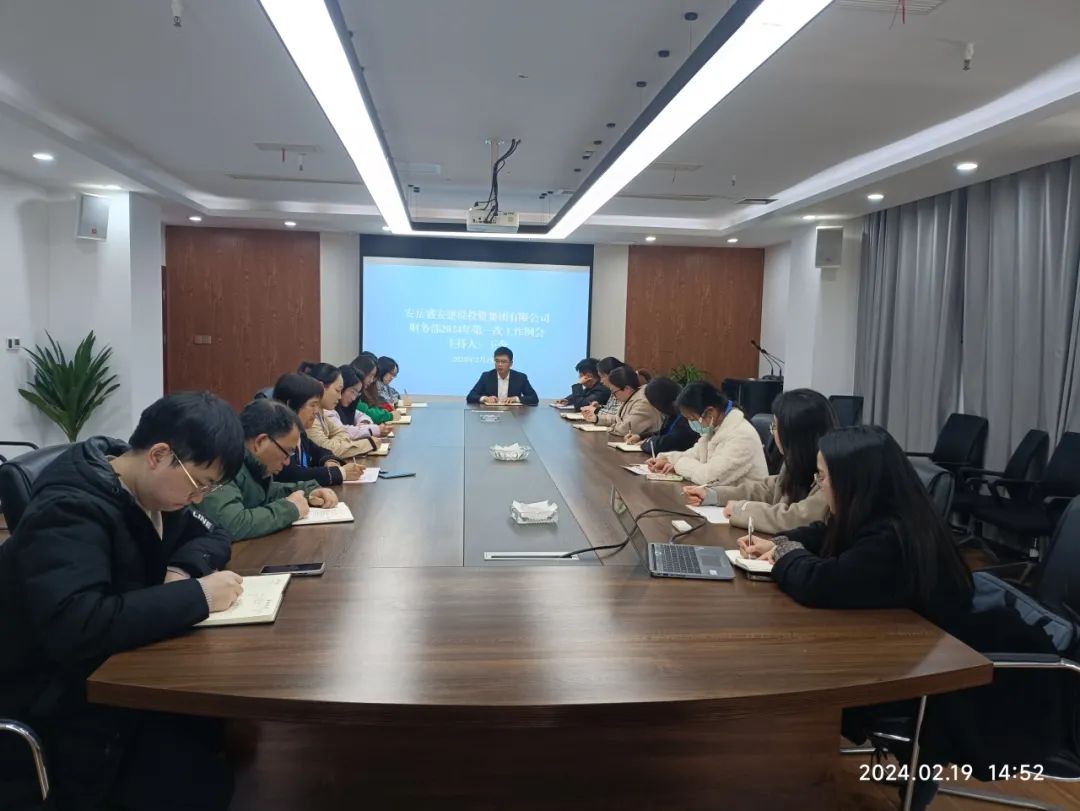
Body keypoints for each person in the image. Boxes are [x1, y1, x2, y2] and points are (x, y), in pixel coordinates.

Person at [0, 392, 246, 810]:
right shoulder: (69, 510)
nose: (200, 498)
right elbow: (77, 624)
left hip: (119, 673)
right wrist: (197, 595)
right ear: (159, 455)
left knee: (216, 742)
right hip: (62, 699)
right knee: (200, 781)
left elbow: (216, 533)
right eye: (199, 483)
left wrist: (182, 570)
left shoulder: (151, 491)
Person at [683, 389, 837, 533]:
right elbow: (766, 489)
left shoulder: (830, 475)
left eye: (775, 426)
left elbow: (796, 519)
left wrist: (743, 509)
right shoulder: (795, 463)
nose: (773, 432)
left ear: (794, 434)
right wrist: (713, 495)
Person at [200, 398, 339, 541]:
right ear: (261, 442)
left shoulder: (252, 465)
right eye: (287, 452)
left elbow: (268, 493)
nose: (287, 462)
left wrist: (309, 491)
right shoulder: (221, 463)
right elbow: (232, 525)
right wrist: (290, 509)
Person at [647, 380, 767, 486]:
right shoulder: (714, 427)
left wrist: (678, 465)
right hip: (721, 497)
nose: (690, 423)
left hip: (744, 501)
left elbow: (709, 477)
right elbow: (695, 453)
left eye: (692, 419)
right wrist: (667, 459)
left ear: (710, 412)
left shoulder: (742, 436)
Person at [272, 372, 365, 485]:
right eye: (312, 405)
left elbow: (319, 451)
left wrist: (329, 461)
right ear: (290, 405)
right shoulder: (278, 437)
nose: (316, 411)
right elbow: (292, 475)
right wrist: (340, 473)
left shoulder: (300, 433)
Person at [299, 362, 382, 457]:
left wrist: (335, 442)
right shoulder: (310, 415)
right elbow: (327, 449)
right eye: (338, 390)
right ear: (321, 387)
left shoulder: (322, 411)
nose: (339, 397)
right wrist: (369, 443)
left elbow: (342, 433)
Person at [584, 365, 662, 438]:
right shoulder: (631, 396)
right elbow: (619, 418)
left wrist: (609, 428)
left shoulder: (643, 403)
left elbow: (626, 429)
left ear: (627, 389)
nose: (613, 396)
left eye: (614, 392)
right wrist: (597, 419)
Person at [632, 376, 698, 455]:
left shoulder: (687, 414)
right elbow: (665, 433)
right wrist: (641, 436)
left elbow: (667, 443)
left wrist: (647, 443)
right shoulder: (673, 413)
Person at [466, 346, 539, 405]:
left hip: (513, 414)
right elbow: (470, 396)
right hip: (491, 413)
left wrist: (516, 399)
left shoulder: (520, 378)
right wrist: (485, 398)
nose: (500, 364)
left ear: (511, 364)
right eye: (497, 361)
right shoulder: (486, 376)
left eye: (503, 362)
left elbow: (534, 398)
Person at [333, 364, 386, 439]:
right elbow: (342, 431)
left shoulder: (347, 407)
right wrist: (374, 430)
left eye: (357, 393)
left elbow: (360, 415)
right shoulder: (328, 409)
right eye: (352, 391)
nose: (354, 398)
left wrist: (364, 423)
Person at [346, 356, 395, 425]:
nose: (372, 380)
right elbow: (369, 413)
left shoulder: (364, 389)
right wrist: (390, 416)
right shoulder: (353, 392)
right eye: (371, 375)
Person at [580, 356, 623, 422]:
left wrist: (596, 410)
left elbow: (619, 415)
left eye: (602, 377)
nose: (601, 381)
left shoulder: (622, 389)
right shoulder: (613, 388)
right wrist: (599, 407)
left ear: (611, 375)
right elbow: (612, 409)